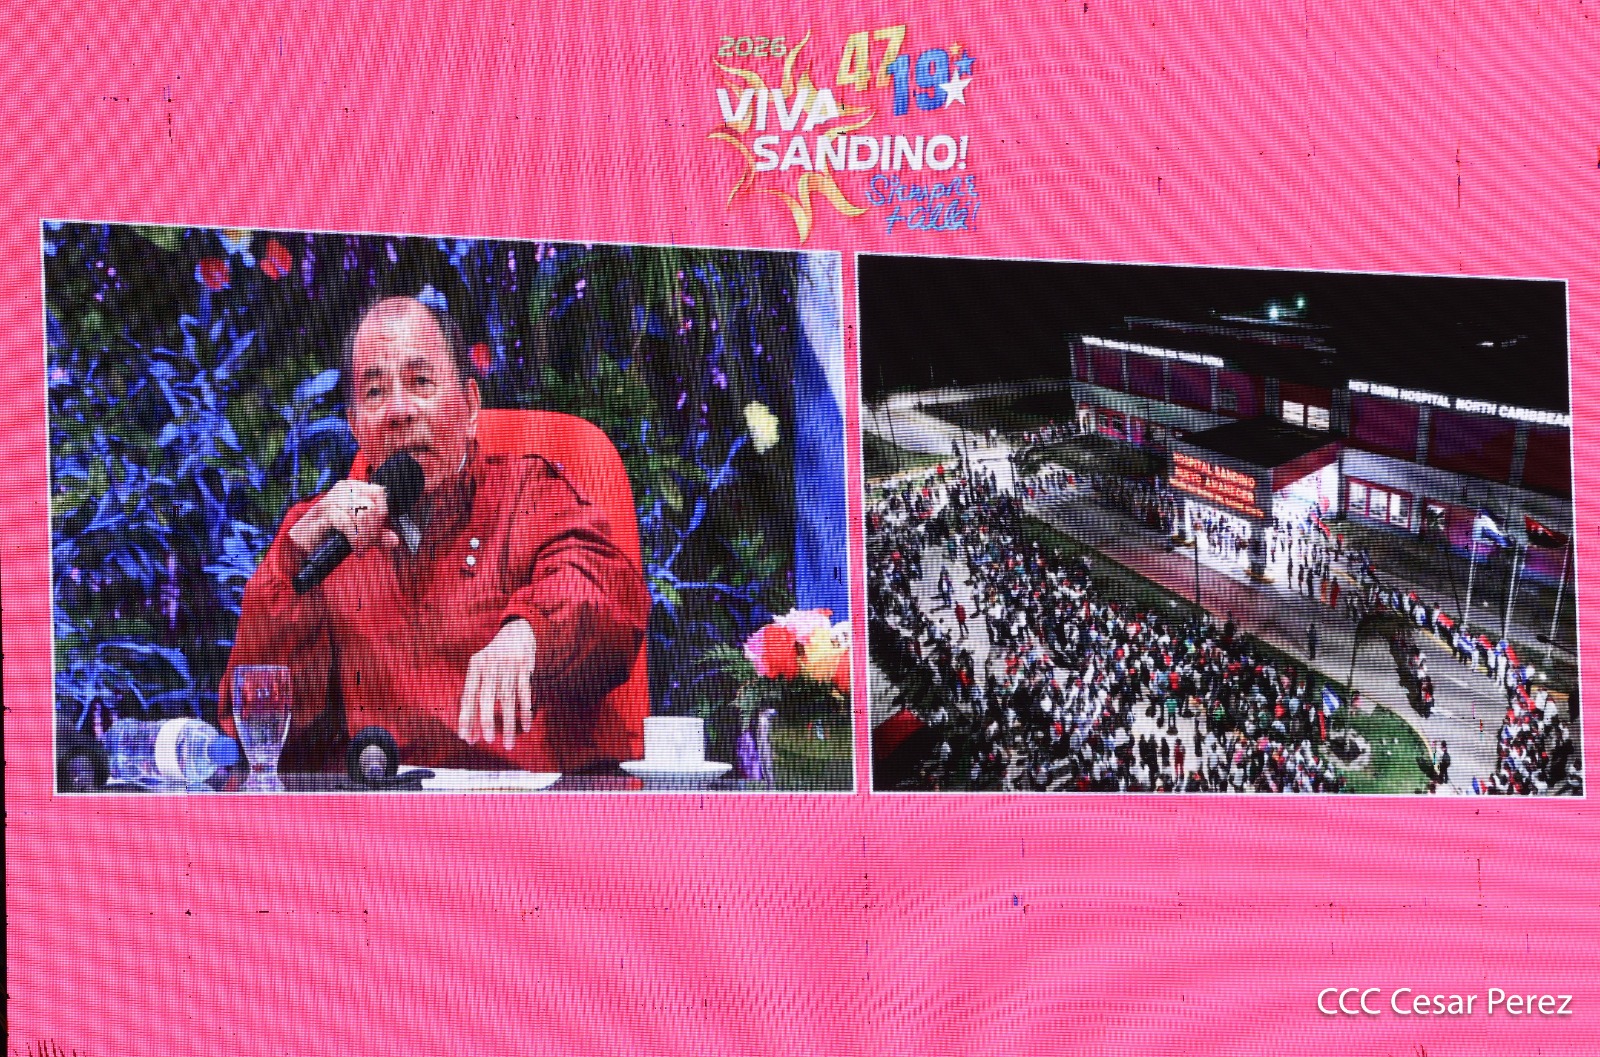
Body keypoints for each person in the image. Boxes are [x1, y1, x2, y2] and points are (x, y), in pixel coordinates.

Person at [219, 296, 650, 774]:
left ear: (470, 405)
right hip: (387, 812)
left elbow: (604, 592)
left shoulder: (527, 493)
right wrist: (290, 569)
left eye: (420, 383)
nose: (399, 411)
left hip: (528, 808)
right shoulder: (322, 534)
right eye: (375, 392)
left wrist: (530, 632)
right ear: (355, 426)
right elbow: (254, 729)